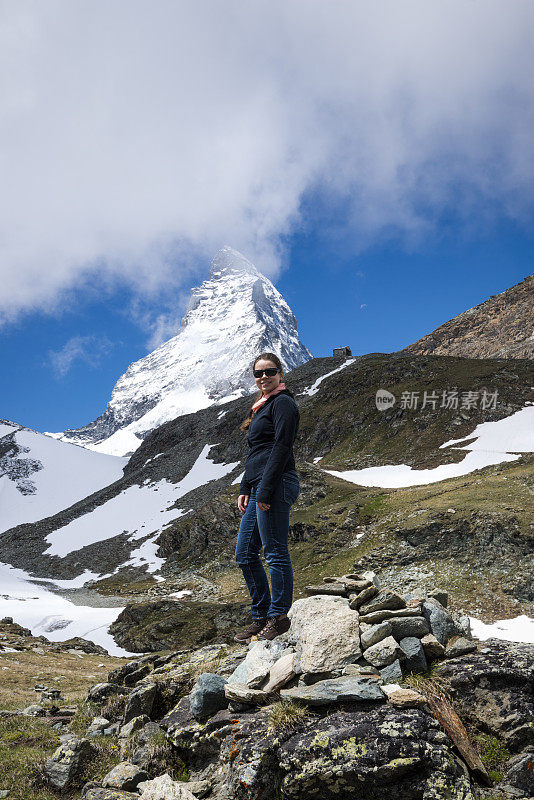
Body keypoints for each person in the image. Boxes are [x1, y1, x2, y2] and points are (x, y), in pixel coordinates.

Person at [234, 352, 300, 643]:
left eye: (269, 371)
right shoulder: (261, 407)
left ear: (280, 373)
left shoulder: (283, 403)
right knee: (245, 554)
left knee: (274, 551)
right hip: (259, 483)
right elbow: (255, 454)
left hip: (276, 483)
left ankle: (278, 617)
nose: (264, 377)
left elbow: (282, 446)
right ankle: (260, 616)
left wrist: (264, 488)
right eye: (258, 373)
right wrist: (245, 487)